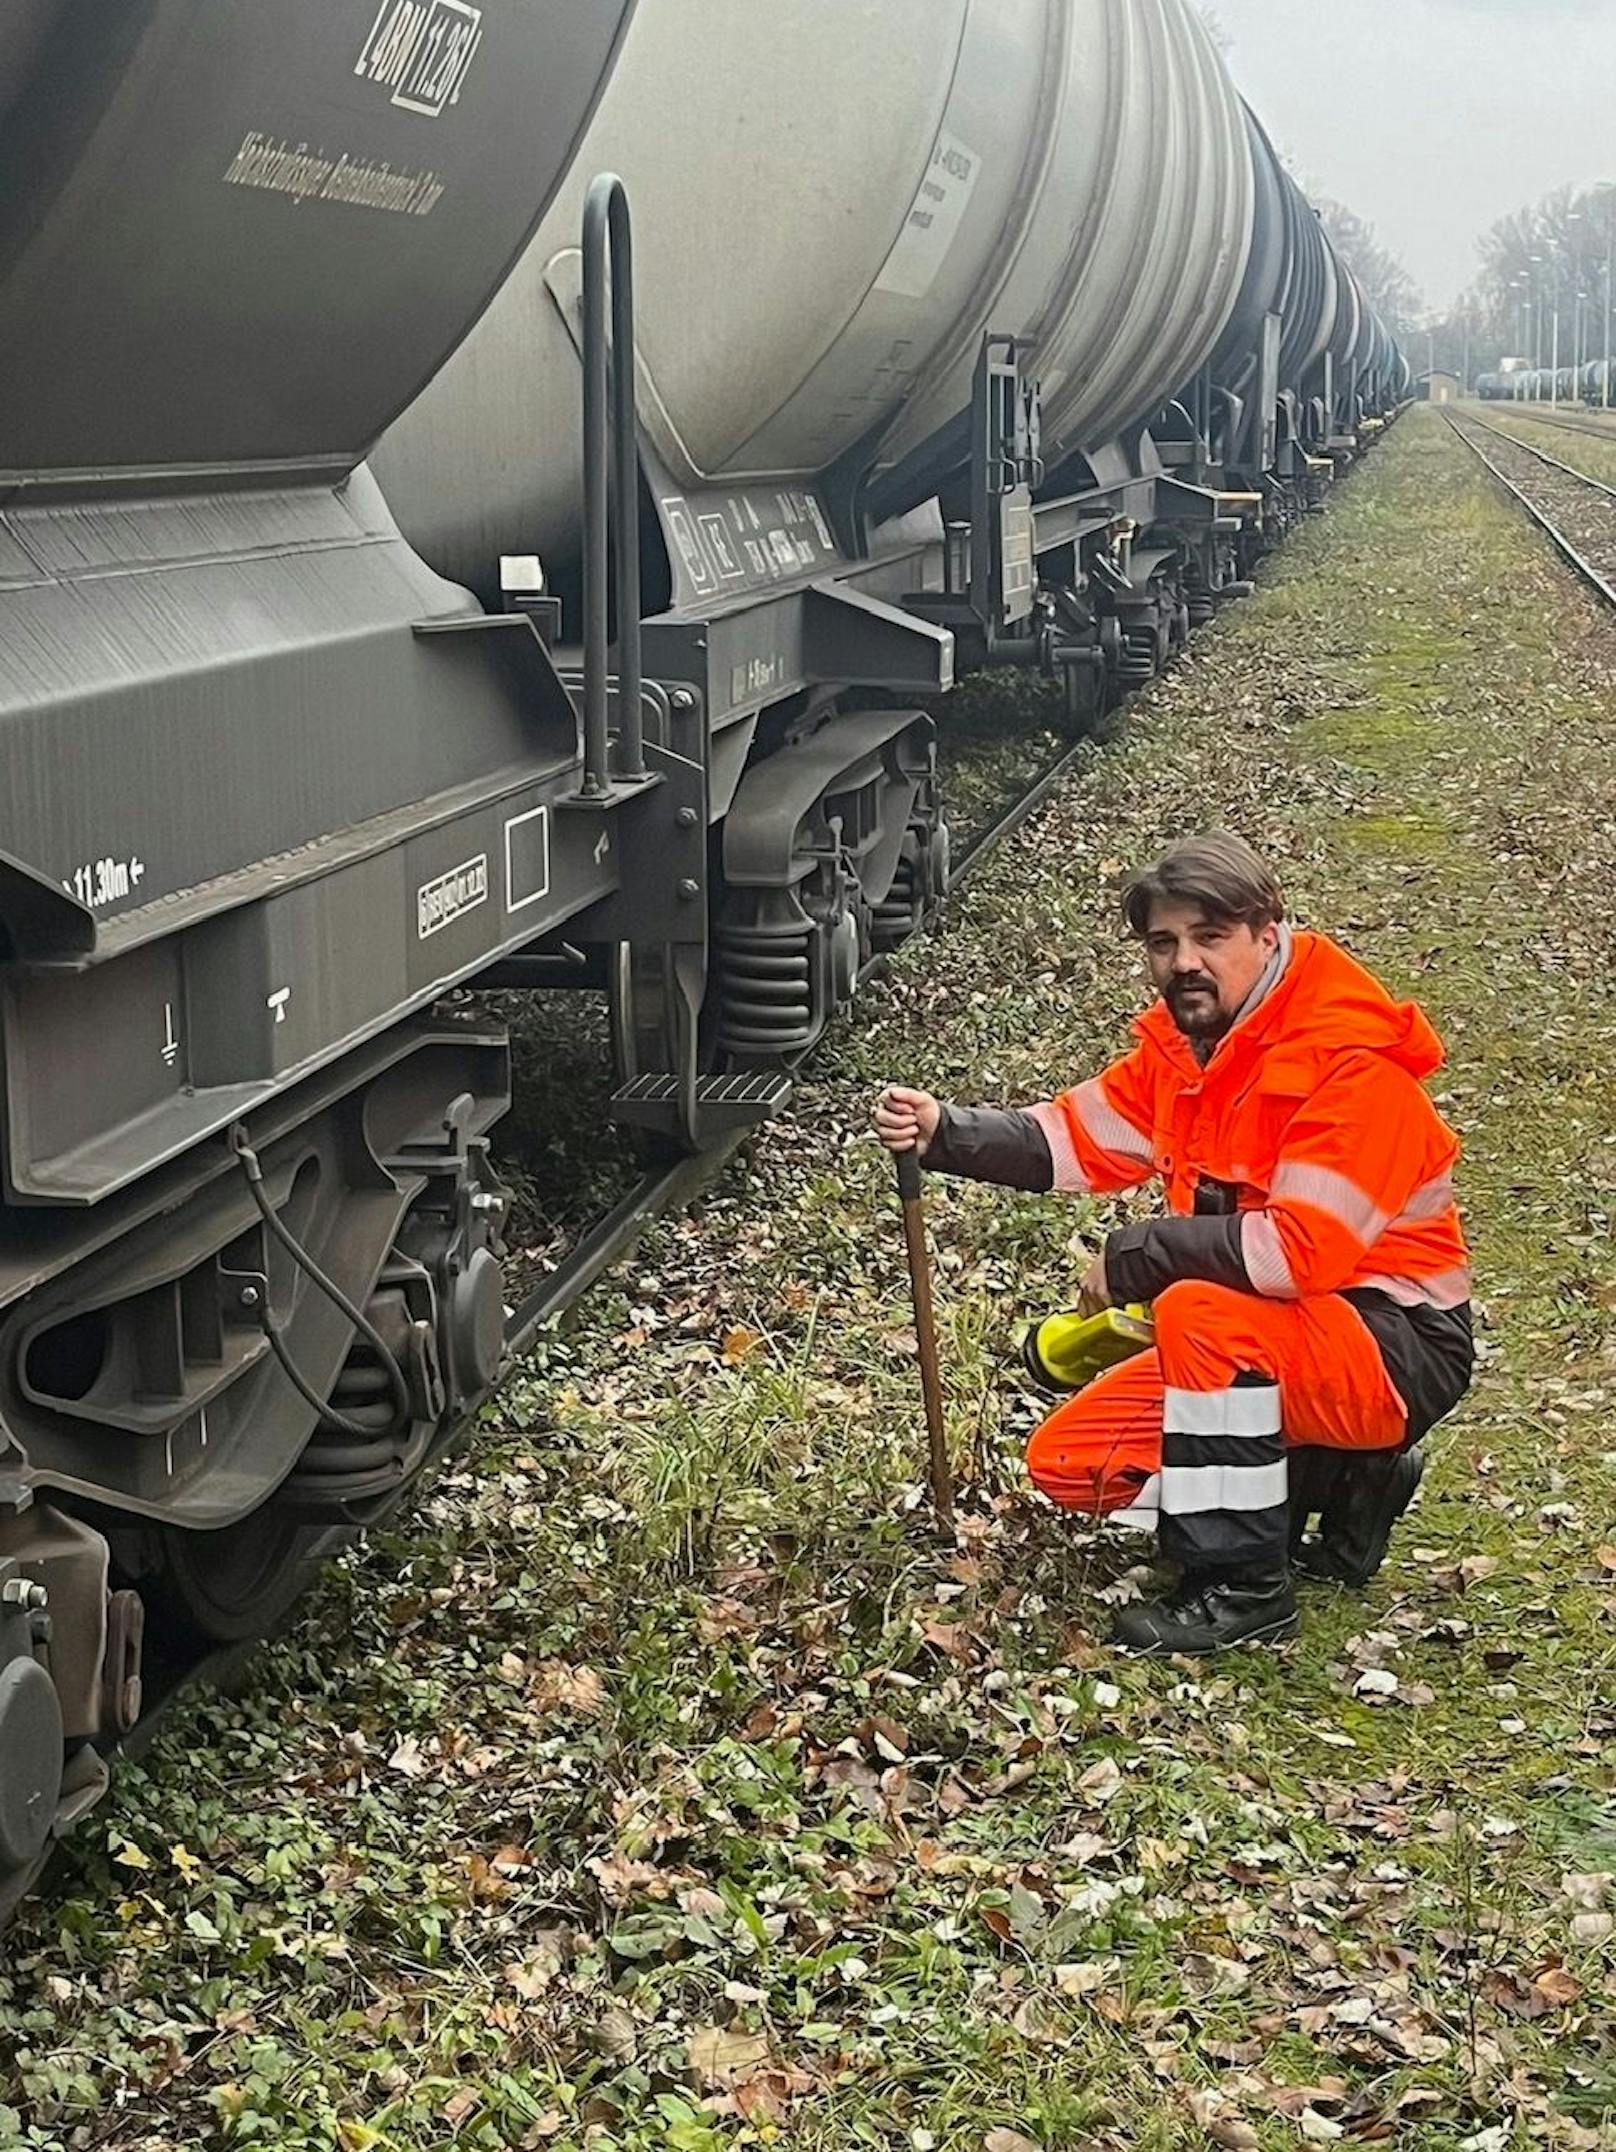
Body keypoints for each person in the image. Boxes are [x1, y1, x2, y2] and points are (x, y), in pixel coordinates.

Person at [874, 833, 1474, 1654]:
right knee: (1069, 1466)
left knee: (1196, 1309)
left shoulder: (1349, 1067)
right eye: (1164, 943)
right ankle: (1337, 1474)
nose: (1184, 962)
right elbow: (1069, 1140)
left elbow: (1295, 1256)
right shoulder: (1190, 1055)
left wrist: (1139, 1255)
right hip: (1283, 1339)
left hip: (1394, 1346)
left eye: (1209, 937)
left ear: (1269, 934)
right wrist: (947, 1131)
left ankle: (1242, 1588)